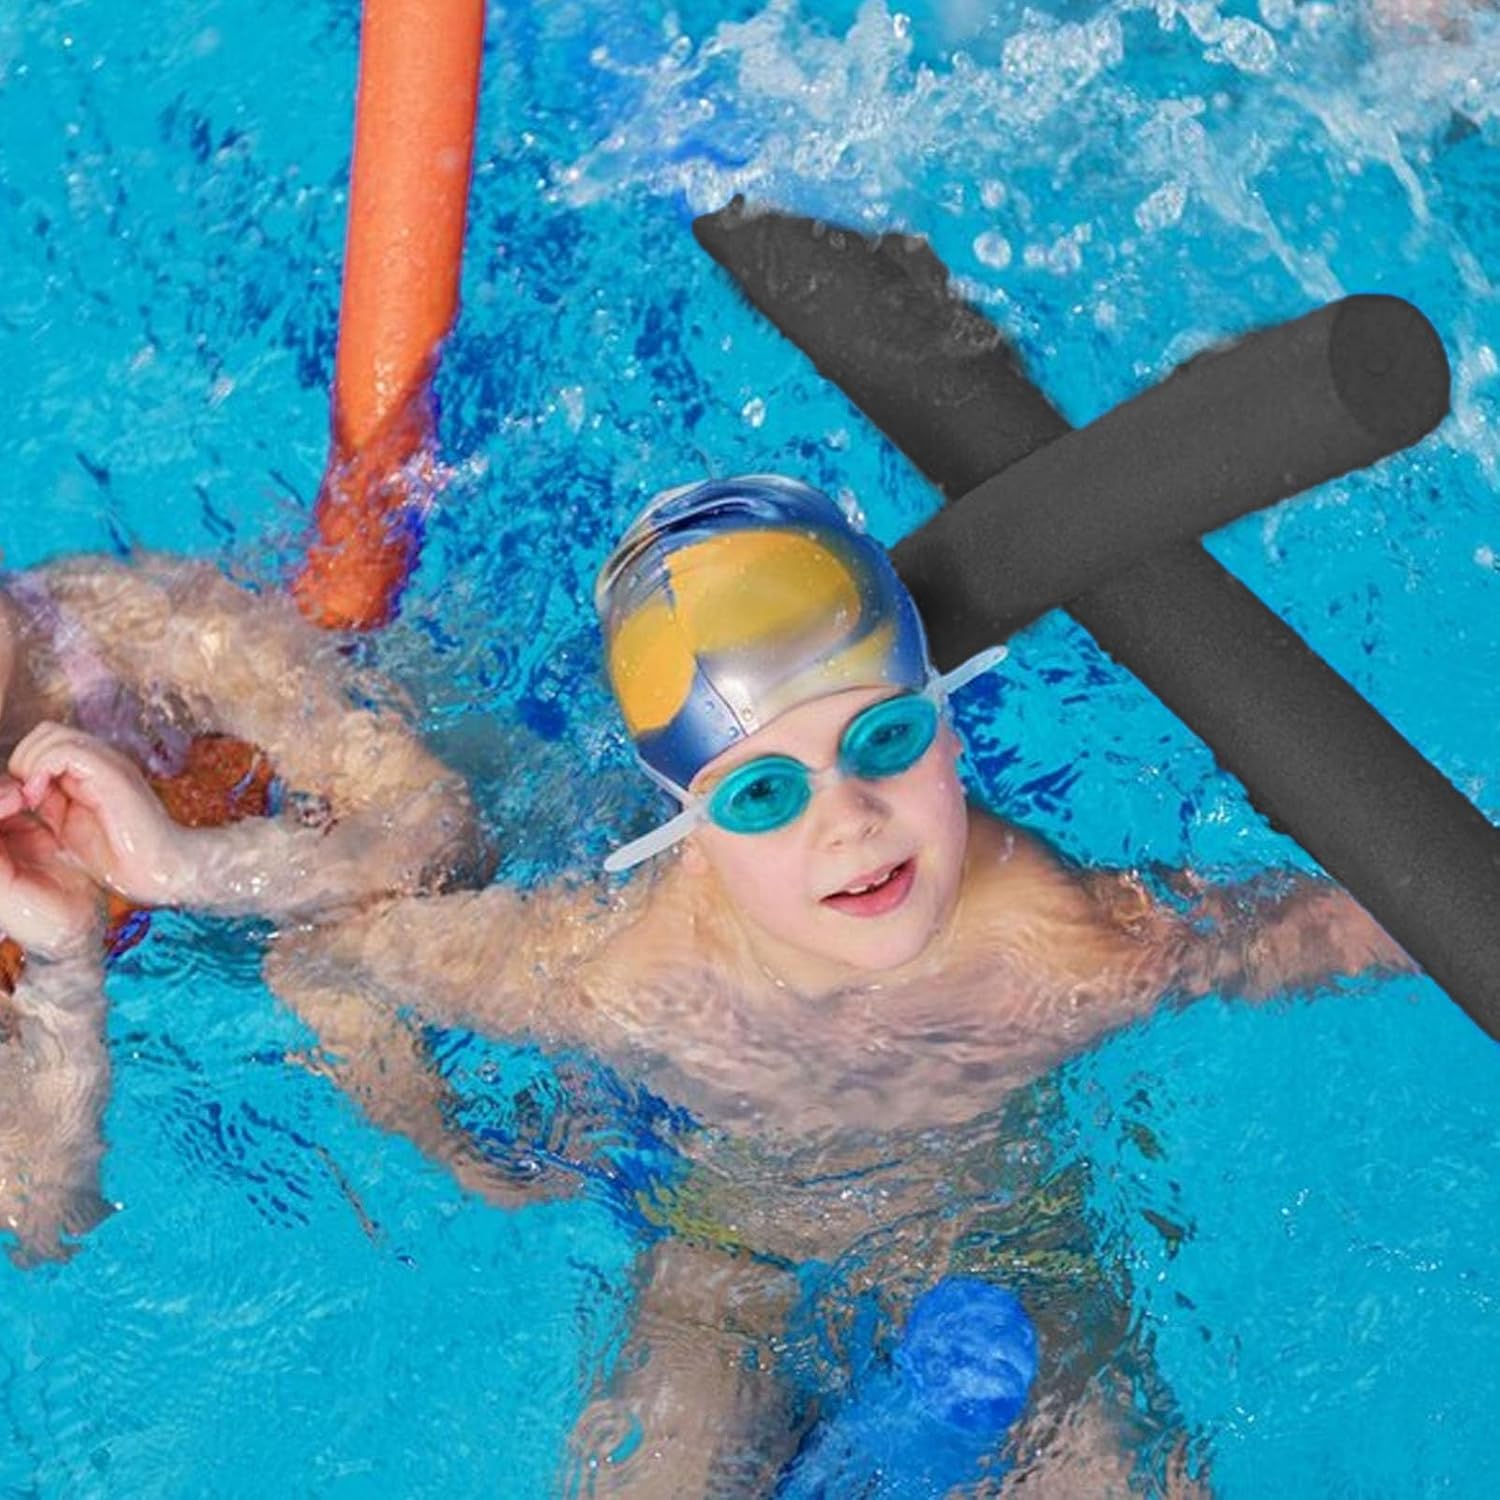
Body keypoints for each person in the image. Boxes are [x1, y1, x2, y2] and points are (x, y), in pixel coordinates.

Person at [265, 475, 1409, 1496]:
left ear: (948, 727)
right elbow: (322, 959)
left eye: (885, 739)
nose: (850, 821)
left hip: (1011, 1259)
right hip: (726, 1274)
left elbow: (1318, 926)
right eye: (764, 794)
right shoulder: (611, 974)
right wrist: (448, 1141)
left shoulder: (1061, 946)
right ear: (688, 839)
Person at [0, 551, 483, 1266]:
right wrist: (65, 959)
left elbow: (442, 827)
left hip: (297, 893)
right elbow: (42, 1218)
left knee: (337, 970)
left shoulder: (131, 626)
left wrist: (188, 866)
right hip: (203, 1021)